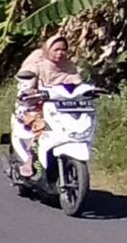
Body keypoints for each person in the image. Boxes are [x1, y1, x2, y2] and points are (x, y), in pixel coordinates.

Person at [10, 35, 83, 178]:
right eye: (56, 49)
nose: (60, 53)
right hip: (33, 106)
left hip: (60, 108)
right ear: (47, 50)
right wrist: (30, 90)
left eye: (63, 50)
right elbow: (26, 82)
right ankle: (30, 160)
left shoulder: (69, 66)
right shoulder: (37, 64)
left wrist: (88, 90)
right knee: (42, 129)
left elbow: (77, 83)